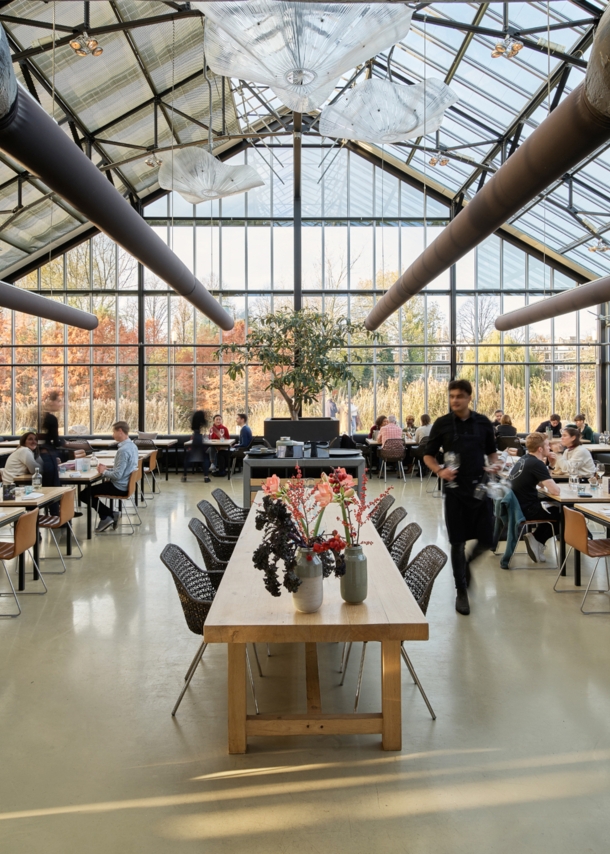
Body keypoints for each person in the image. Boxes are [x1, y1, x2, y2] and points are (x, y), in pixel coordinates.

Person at [424, 379, 500, 616]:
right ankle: (462, 592)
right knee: (457, 543)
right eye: (451, 396)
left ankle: (466, 566)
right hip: (455, 490)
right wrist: (440, 471)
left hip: (479, 488)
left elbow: (492, 453)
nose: (454, 400)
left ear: (469, 397)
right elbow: (427, 455)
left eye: (459, 396)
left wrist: (495, 466)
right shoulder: (443, 424)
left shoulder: (484, 423)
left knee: (488, 539)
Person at [508, 432, 561, 564]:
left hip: (517, 507)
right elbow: (555, 491)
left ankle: (536, 540)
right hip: (526, 509)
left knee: (558, 511)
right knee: (563, 516)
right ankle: (537, 539)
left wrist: (551, 465)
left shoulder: (525, 459)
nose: (550, 448)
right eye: (548, 445)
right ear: (540, 449)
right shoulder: (537, 464)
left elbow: (542, 483)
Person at [80, 421, 139, 533]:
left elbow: (117, 476)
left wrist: (103, 472)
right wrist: (107, 470)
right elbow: (125, 470)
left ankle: (107, 516)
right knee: (89, 492)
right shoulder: (133, 446)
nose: (112, 435)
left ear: (120, 431)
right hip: (126, 484)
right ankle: (111, 514)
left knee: (83, 494)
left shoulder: (123, 450)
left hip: (119, 487)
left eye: (114, 432)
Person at [182, 410, 210, 483]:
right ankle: (206, 477)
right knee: (204, 457)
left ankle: (184, 476)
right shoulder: (202, 422)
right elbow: (206, 426)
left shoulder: (194, 422)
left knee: (188, 458)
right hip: (199, 438)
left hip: (195, 437)